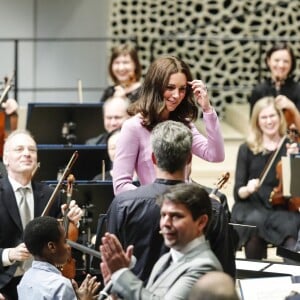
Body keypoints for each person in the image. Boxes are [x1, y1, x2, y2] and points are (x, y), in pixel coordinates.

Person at [104, 120, 235, 281]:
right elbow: (225, 274)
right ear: (188, 159)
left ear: (153, 158)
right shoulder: (211, 207)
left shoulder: (122, 204)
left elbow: (107, 267)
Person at [113, 55, 225, 195]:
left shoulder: (184, 124)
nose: (177, 95)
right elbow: (120, 186)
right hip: (153, 209)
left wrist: (207, 109)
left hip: (185, 207)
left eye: (182, 89)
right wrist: (157, 200)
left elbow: (216, 155)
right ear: (155, 87)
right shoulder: (133, 127)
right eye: (170, 88)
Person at [100, 183, 222, 300]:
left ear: (201, 222)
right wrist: (117, 292)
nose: (165, 224)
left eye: (176, 216)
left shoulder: (204, 266)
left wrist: (122, 275)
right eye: (163, 215)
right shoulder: (166, 259)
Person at [0, 129, 83, 300]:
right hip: (4, 285)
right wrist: (8, 254)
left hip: (44, 284)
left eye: (32, 150)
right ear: (5, 159)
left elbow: (65, 239)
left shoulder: (51, 194)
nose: (27, 154)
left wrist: (73, 220)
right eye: (19, 149)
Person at [231, 96, 300, 260]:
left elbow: (295, 191)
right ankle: (254, 281)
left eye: (272, 116)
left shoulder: (290, 145)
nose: (269, 121)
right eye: (264, 117)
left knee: (291, 229)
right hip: (252, 206)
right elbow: (237, 192)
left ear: (280, 118)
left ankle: (294, 280)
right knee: (253, 227)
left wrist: (293, 161)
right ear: (257, 121)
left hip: (280, 207)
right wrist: (248, 189)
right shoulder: (246, 148)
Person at [17, 216, 100, 300]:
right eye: (64, 241)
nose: (68, 246)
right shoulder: (61, 285)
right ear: (52, 247)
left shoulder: (25, 278)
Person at [249, 42, 300, 130]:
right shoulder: (259, 90)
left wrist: (292, 107)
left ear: (292, 64)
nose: (281, 65)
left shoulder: (298, 90)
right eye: (276, 60)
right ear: (268, 61)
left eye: (286, 61)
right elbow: (253, 124)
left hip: (293, 140)